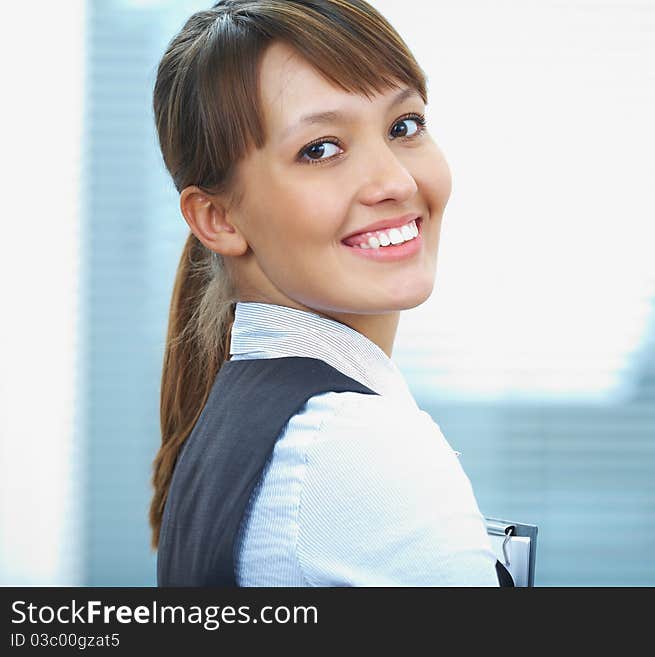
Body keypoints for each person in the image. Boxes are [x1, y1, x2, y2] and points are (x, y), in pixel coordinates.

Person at [149, 0, 509, 586]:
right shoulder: (355, 447)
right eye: (321, 149)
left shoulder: (240, 427)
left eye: (404, 127)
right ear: (217, 218)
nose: (396, 180)